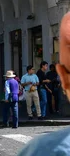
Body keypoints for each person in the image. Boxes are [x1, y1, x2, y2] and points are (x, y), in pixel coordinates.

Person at [18, 13, 70, 155]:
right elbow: (24, 84)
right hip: (32, 90)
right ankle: (32, 115)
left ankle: (40, 114)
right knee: (32, 104)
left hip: (36, 90)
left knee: (40, 103)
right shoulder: (27, 76)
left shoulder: (42, 148)